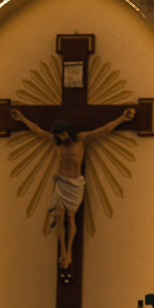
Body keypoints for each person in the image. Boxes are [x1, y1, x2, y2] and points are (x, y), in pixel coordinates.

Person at [10, 107, 135, 269]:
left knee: (70, 217)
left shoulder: (81, 139)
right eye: (58, 135)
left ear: (68, 131)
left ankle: (69, 251)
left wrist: (122, 118)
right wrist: (22, 118)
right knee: (60, 217)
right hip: (62, 182)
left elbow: (104, 129)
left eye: (62, 133)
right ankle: (63, 251)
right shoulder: (55, 142)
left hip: (75, 184)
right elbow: (36, 130)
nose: (61, 137)